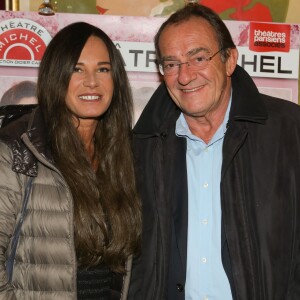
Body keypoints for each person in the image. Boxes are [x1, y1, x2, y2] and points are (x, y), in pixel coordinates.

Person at [129, 3, 300, 300]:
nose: (184, 76)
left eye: (198, 58)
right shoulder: (142, 147)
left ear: (229, 60)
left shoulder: (290, 131)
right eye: (171, 64)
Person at [0, 21, 141, 299]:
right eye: (77, 69)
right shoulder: (18, 150)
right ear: (56, 75)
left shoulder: (123, 153)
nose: (92, 81)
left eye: (103, 69)